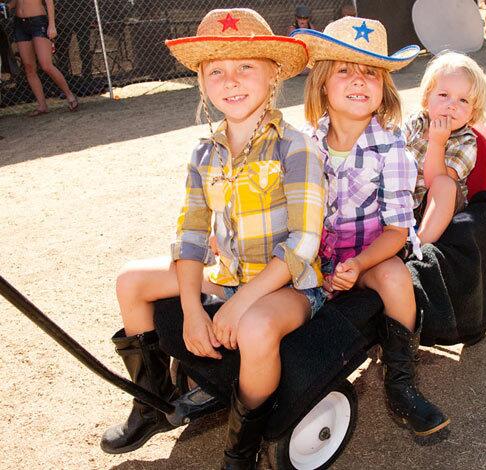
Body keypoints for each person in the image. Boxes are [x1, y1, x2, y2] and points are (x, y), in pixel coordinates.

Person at [100, 8, 326, 469]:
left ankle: (241, 449)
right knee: (131, 281)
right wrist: (189, 311)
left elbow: (304, 242)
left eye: (246, 67)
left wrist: (241, 302)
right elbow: (191, 235)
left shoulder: (296, 146)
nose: (231, 80)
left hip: (288, 287)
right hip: (227, 276)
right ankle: (154, 403)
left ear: (272, 75)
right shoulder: (204, 153)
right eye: (216, 70)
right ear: (202, 82)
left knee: (256, 326)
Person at [292, 17, 450, 436]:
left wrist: (359, 264)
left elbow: (398, 232)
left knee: (397, 277)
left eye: (370, 73)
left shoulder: (392, 150)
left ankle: (401, 382)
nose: (358, 80)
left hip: (371, 253)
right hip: (313, 256)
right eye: (344, 70)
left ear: (383, 88)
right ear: (322, 84)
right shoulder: (305, 143)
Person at [402, 51, 486, 246]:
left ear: (473, 110)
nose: (452, 105)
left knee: (445, 185)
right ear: (426, 98)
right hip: (403, 200)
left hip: (437, 209)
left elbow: (436, 182)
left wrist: (437, 142)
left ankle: (418, 246)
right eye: (443, 95)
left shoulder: (466, 141)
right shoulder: (416, 122)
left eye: (463, 100)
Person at [7, 0, 78, 115]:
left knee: (46, 65)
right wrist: (8, 6)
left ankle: (69, 94)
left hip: (38, 21)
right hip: (20, 23)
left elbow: (49, 2)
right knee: (29, 67)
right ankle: (42, 105)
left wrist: (52, 25)